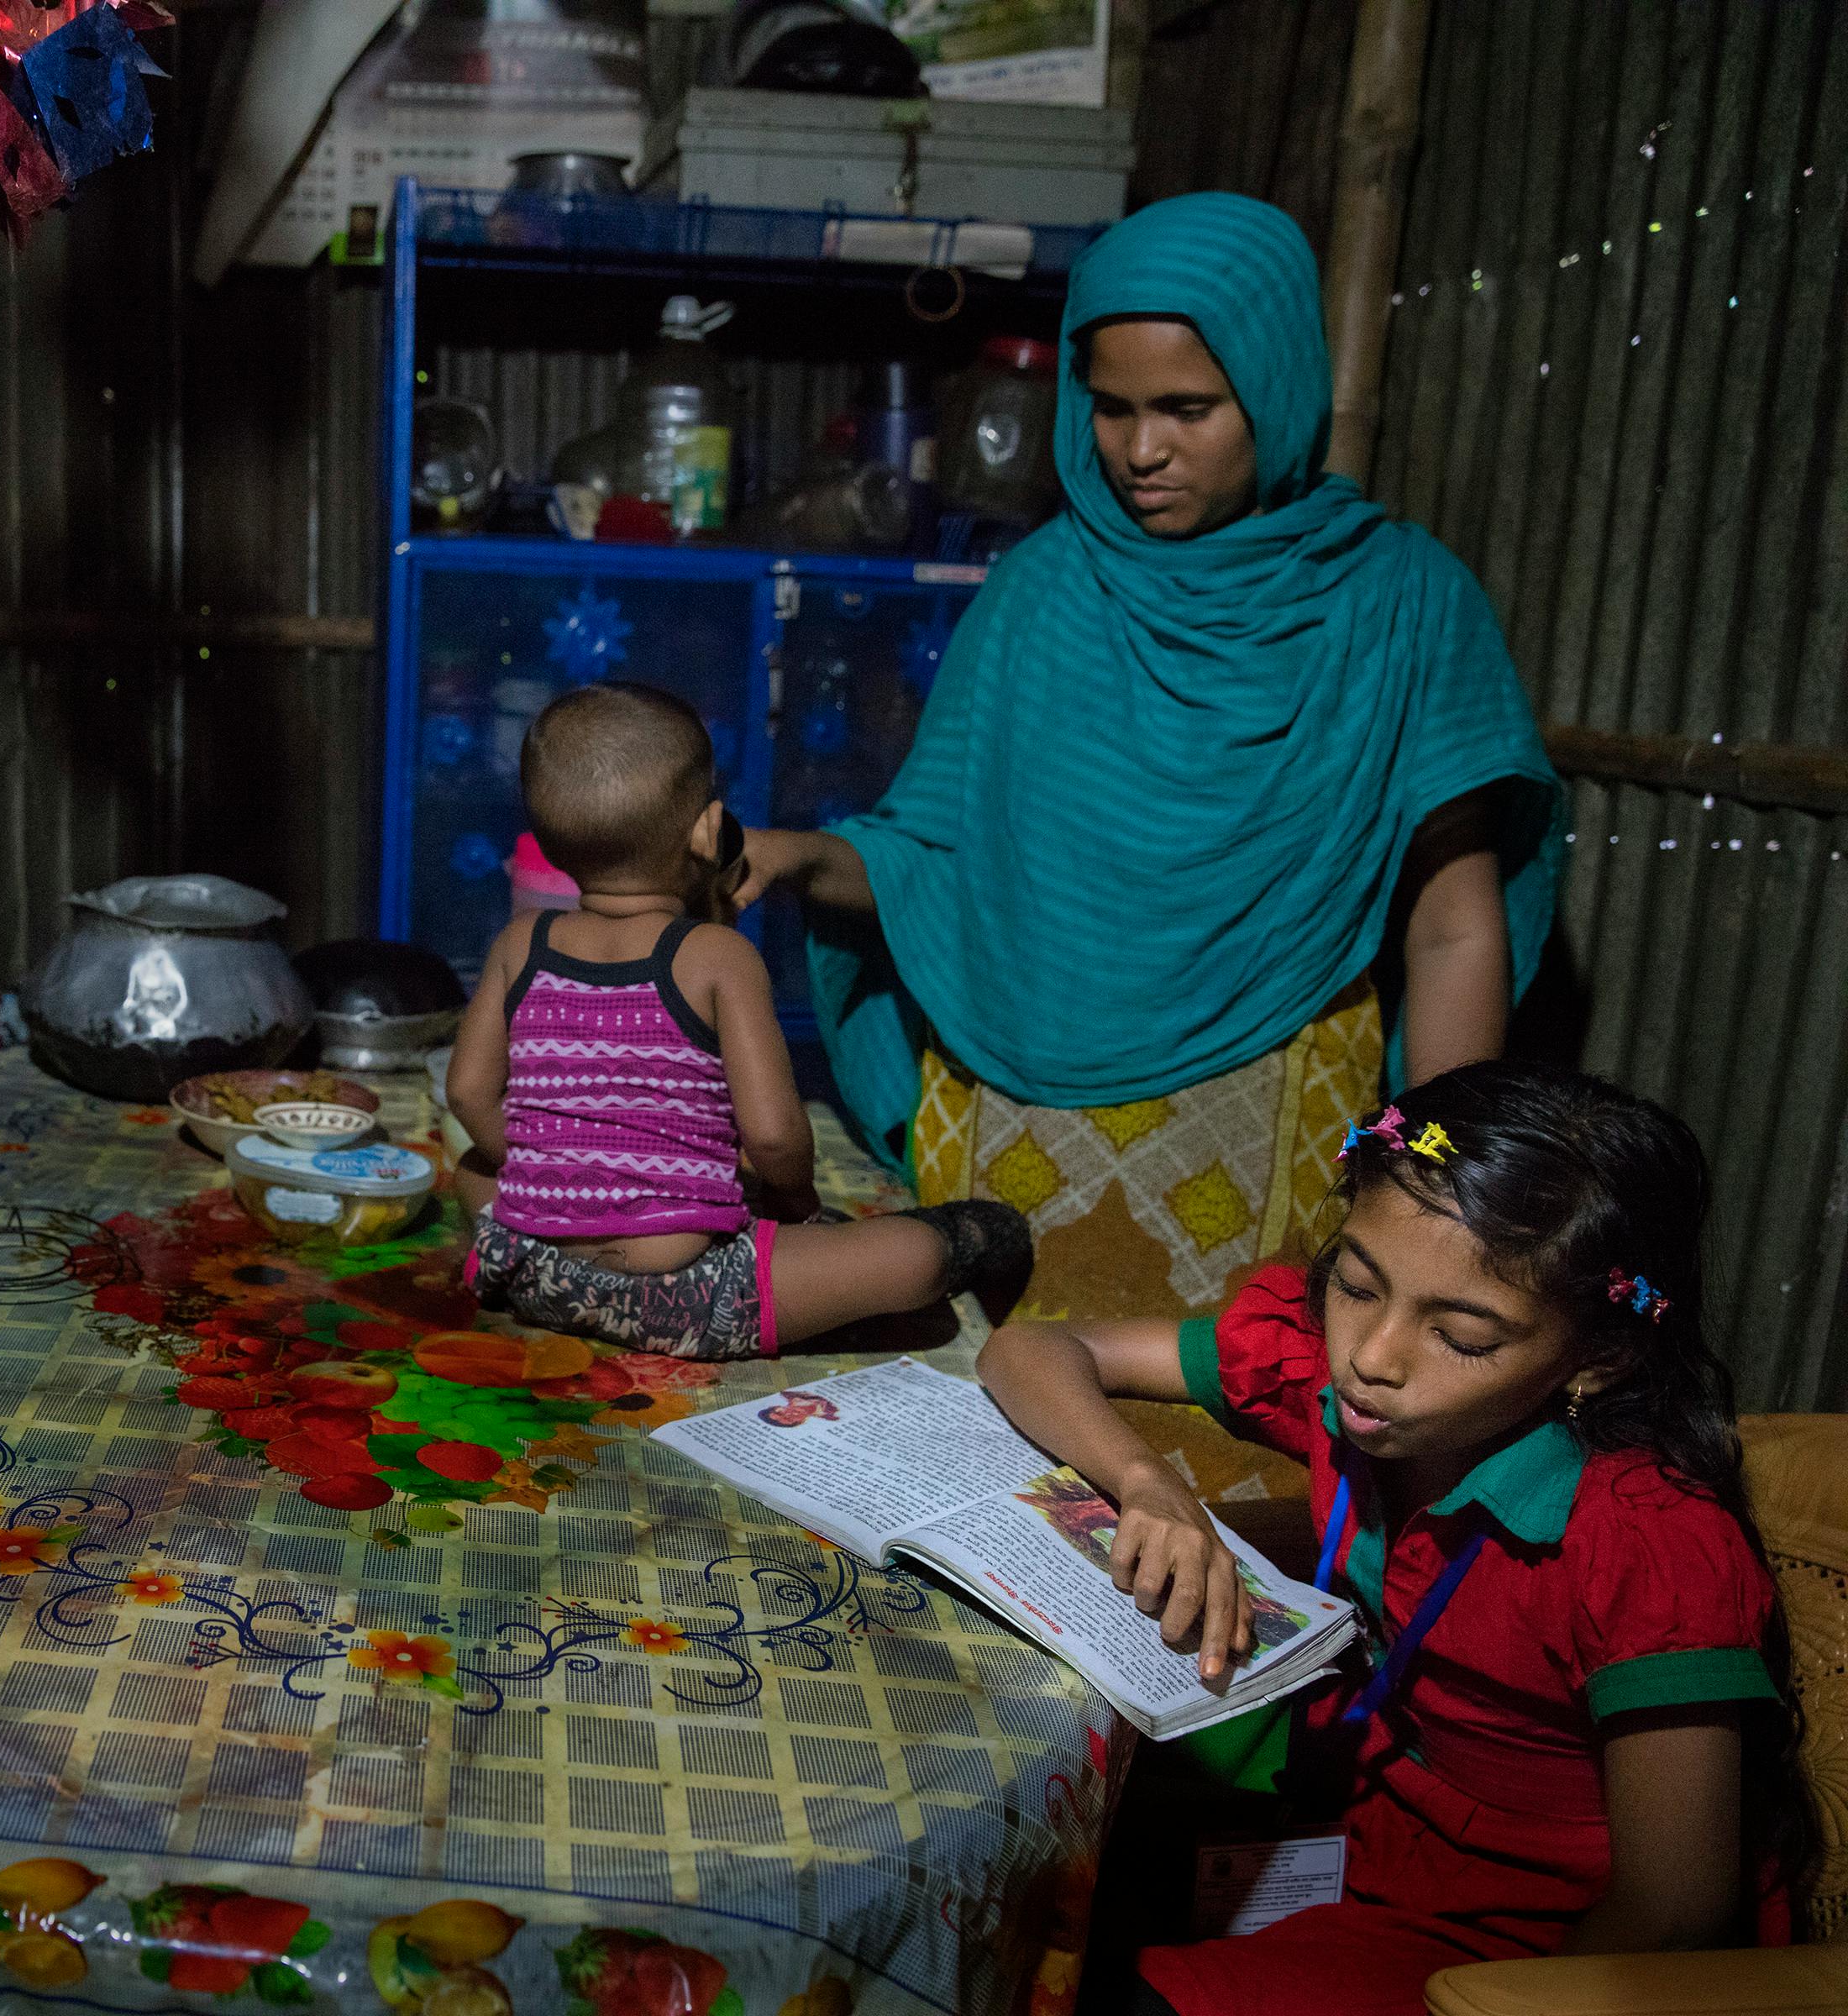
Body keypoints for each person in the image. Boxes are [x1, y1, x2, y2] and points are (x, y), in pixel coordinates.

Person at [740, 193, 1567, 1417]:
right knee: (981, 1467)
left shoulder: (1401, 606)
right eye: (1112, 409)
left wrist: (1434, 1194)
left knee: (1257, 1495)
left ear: (1277, 389)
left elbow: (1452, 929)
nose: (1140, 452)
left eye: (1187, 410)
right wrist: (808, 859)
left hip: (1271, 1160)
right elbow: (934, 870)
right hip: (1022, 1161)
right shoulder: (1039, 598)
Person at [977, 1060, 1801, 2014]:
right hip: (1352, 1830)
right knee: (1018, 1889)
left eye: (1464, 1338)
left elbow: (1673, 1915)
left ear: (1599, 1358)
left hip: (1514, 1952)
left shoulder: (1647, 1542)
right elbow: (1029, 1351)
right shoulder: (1337, 1386)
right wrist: (1149, 1483)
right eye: (1358, 1286)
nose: (1372, 1357)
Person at [444, 682, 1027, 1358]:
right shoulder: (719, 954)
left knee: (472, 1166)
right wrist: (796, 1207)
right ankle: (976, 1239)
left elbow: (467, 1094)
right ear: (708, 830)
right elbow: (775, 1137)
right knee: (919, 1253)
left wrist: (552, 1180)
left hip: (533, 1268)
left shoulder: (519, 943)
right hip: (690, 1291)